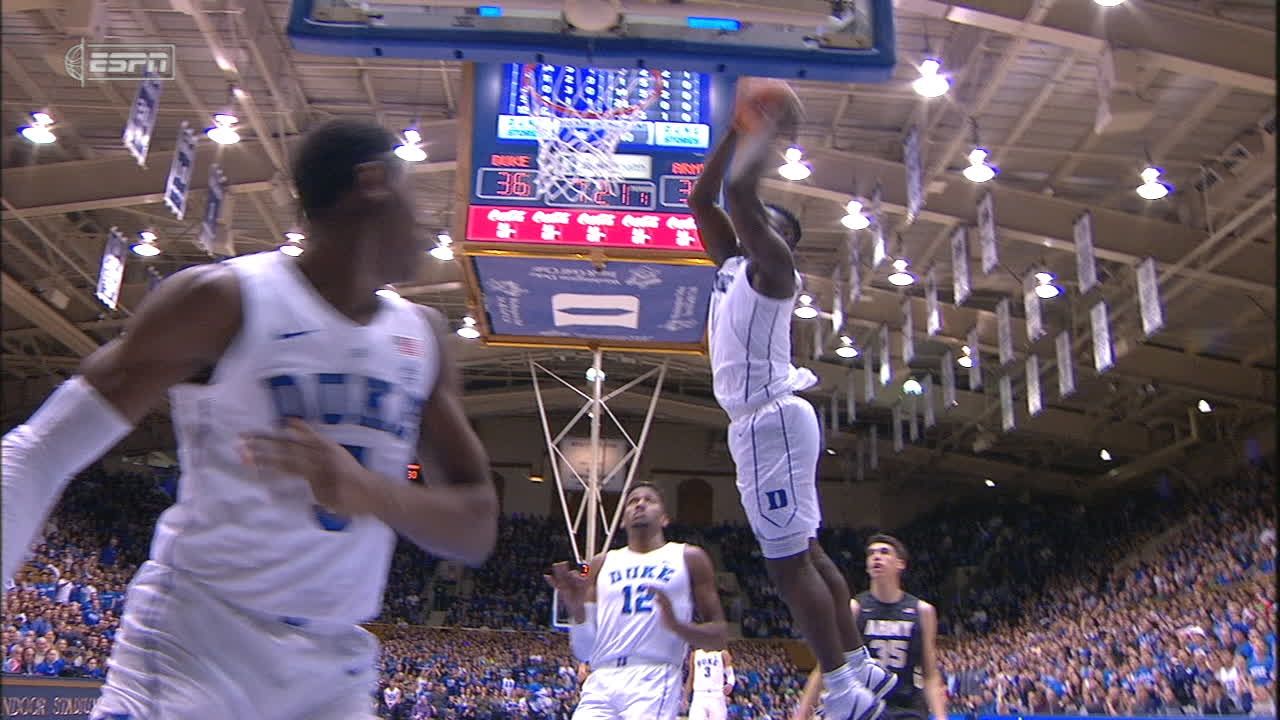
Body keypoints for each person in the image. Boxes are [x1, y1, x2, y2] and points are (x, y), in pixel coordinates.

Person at [1, 118, 499, 719]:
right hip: (200, 644)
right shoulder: (223, 299)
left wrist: (371, 493)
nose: (423, 222)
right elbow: (39, 449)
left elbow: (475, 528)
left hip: (334, 665)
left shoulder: (422, 336)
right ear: (372, 183)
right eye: (412, 193)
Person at [693, 89, 893, 720]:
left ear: (781, 236)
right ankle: (860, 666)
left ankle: (839, 689)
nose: (752, 225)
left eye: (764, 222)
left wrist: (766, 129)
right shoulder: (733, 267)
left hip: (768, 420)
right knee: (805, 552)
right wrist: (731, 130)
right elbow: (702, 199)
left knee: (786, 566)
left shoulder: (774, 268)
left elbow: (736, 197)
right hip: (775, 421)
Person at [545, 483, 727, 720]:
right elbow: (584, 650)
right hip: (601, 678)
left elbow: (719, 635)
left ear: (664, 518)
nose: (640, 504)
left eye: (649, 500)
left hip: (653, 675)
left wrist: (677, 627)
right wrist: (577, 610)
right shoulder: (600, 563)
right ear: (622, 521)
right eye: (632, 501)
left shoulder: (689, 557)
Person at [793, 535, 947, 720]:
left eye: (884, 552)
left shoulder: (922, 611)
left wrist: (941, 717)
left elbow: (929, 674)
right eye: (871, 553)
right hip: (865, 708)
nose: (876, 557)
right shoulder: (853, 609)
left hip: (907, 708)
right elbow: (824, 668)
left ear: (900, 564)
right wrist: (800, 716)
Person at [684, 646, 735, 720]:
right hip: (699, 695)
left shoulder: (723, 654)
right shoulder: (694, 654)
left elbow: (730, 673)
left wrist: (730, 684)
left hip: (716, 694)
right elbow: (691, 676)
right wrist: (686, 696)